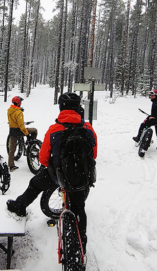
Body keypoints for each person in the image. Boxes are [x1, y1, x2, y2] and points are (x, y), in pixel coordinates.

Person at [7, 92, 97, 256]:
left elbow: (42, 158)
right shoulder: (88, 128)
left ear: (61, 108)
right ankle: (81, 248)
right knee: (79, 208)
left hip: (57, 175)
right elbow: (94, 155)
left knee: (34, 185)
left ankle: (20, 206)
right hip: (82, 178)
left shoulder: (54, 129)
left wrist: (55, 166)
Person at [7, 96, 37, 172]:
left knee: (12, 150)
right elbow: (21, 126)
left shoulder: (9, 110)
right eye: (20, 102)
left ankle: (11, 166)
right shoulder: (18, 112)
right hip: (19, 131)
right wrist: (27, 134)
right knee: (34, 130)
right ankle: (32, 145)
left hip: (12, 131)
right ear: (18, 103)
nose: (21, 103)